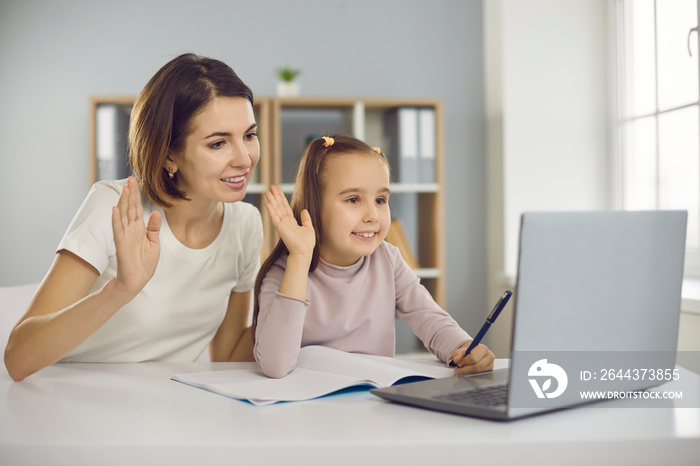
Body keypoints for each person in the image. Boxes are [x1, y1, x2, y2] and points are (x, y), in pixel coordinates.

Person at [4, 53, 262, 381]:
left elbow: (227, 359)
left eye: (249, 136)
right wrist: (121, 290)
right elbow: (17, 359)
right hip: (67, 400)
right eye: (218, 144)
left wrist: (295, 288)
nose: (244, 159)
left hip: (163, 408)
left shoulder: (246, 225)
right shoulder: (114, 206)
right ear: (169, 155)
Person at [252, 135, 494, 378]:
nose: (373, 216)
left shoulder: (388, 259)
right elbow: (275, 365)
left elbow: (430, 318)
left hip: (372, 399)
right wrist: (300, 257)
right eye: (353, 199)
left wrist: (463, 347)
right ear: (314, 206)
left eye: (380, 200)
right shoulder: (284, 270)